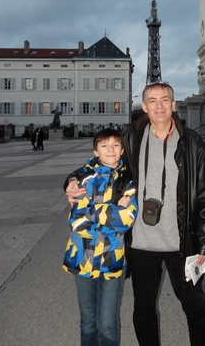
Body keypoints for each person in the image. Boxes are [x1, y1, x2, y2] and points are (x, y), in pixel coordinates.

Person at [66, 82, 205, 346]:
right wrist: (71, 179)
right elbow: (99, 163)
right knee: (144, 310)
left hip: (181, 242)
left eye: (165, 100)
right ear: (144, 106)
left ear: (174, 104)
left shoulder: (192, 142)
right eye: (153, 100)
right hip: (140, 243)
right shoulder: (131, 138)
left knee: (196, 308)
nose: (159, 105)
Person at [63, 128, 138, 346]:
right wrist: (112, 209)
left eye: (115, 145)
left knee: (107, 324)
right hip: (82, 258)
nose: (110, 150)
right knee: (87, 322)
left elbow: (127, 220)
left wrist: (93, 210)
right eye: (104, 145)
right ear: (96, 151)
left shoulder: (128, 181)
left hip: (111, 260)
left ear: (122, 150)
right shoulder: (83, 180)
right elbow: (76, 222)